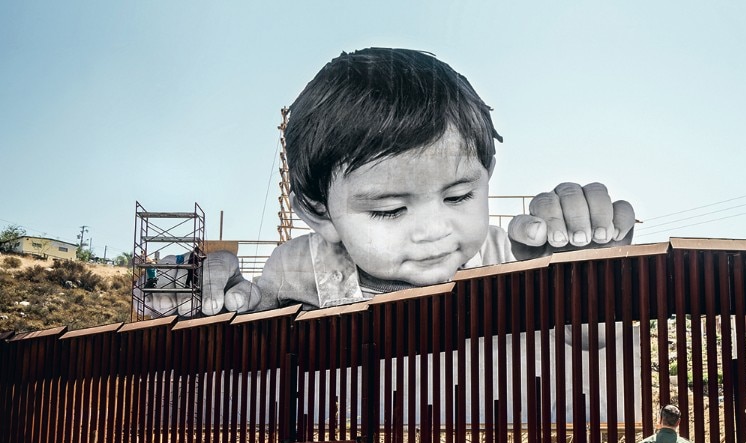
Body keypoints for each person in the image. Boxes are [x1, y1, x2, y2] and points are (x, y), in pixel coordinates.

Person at [142, 47, 636, 317]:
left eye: (460, 195)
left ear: (487, 175)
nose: (433, 231)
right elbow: (249, 340)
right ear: (317, 210)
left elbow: (587, 353)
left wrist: (585, 282)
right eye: (388, 209)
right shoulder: (296, 270)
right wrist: (207, 301)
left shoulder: (515, 260)